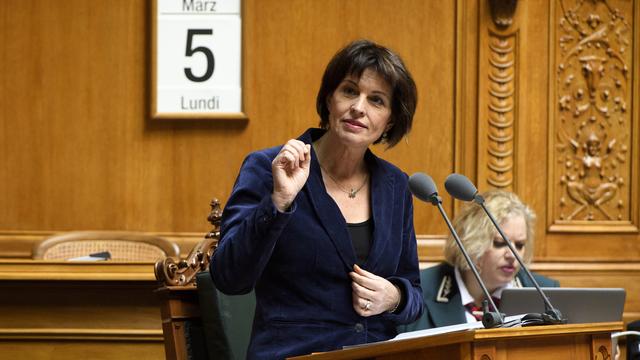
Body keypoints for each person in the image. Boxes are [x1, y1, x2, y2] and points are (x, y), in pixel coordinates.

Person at [210, 39, 423, 359]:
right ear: (329, 98)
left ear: (389, 122)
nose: (359, 107)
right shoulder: (270, 168)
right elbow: (229, 277)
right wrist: (279, 201)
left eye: (376, 100)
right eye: (350, 91)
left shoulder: (396, 186)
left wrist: (394, 297)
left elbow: (414, 293)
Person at [400, 190, 559, 331]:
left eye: (520, 245)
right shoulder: (417, 290)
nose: (513, 255)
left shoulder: (545, 294)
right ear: (470, 241)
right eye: (499, 243)